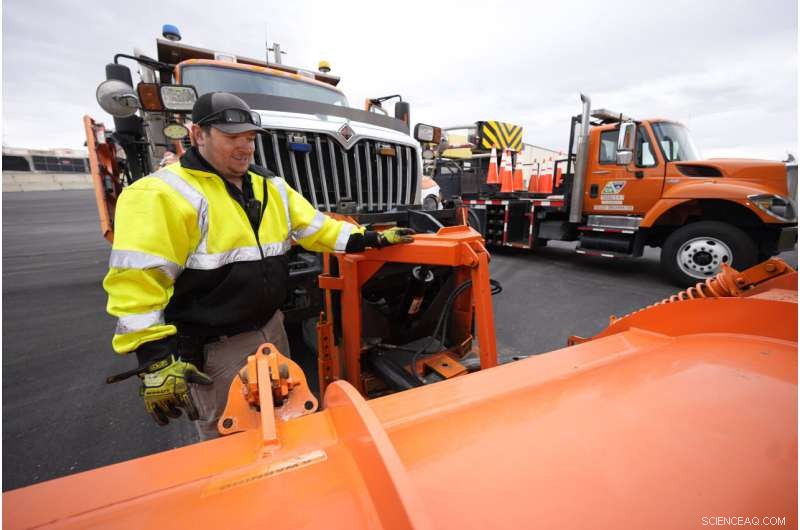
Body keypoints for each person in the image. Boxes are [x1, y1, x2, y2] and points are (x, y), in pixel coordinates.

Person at [104, 91, 413, 439]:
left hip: (272, 331)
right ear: (197, 135)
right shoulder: (160, 194)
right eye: (232, 137)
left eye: (249, 138)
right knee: (234, 444)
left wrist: (368, 238)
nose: (245, 148)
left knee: (289, 425)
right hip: (217, 351)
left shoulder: (269, 186)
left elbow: (317, 228)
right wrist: (155, 358)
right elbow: (138, 282)